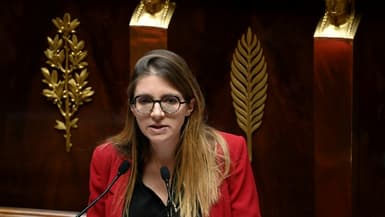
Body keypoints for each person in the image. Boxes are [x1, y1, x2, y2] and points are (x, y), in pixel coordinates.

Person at [86, 49, 262, 217]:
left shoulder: (228, 153)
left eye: (170, 100)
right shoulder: (107, 158)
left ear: (189, 107)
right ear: (133, 107)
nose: (156, 113)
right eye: (145, 101)